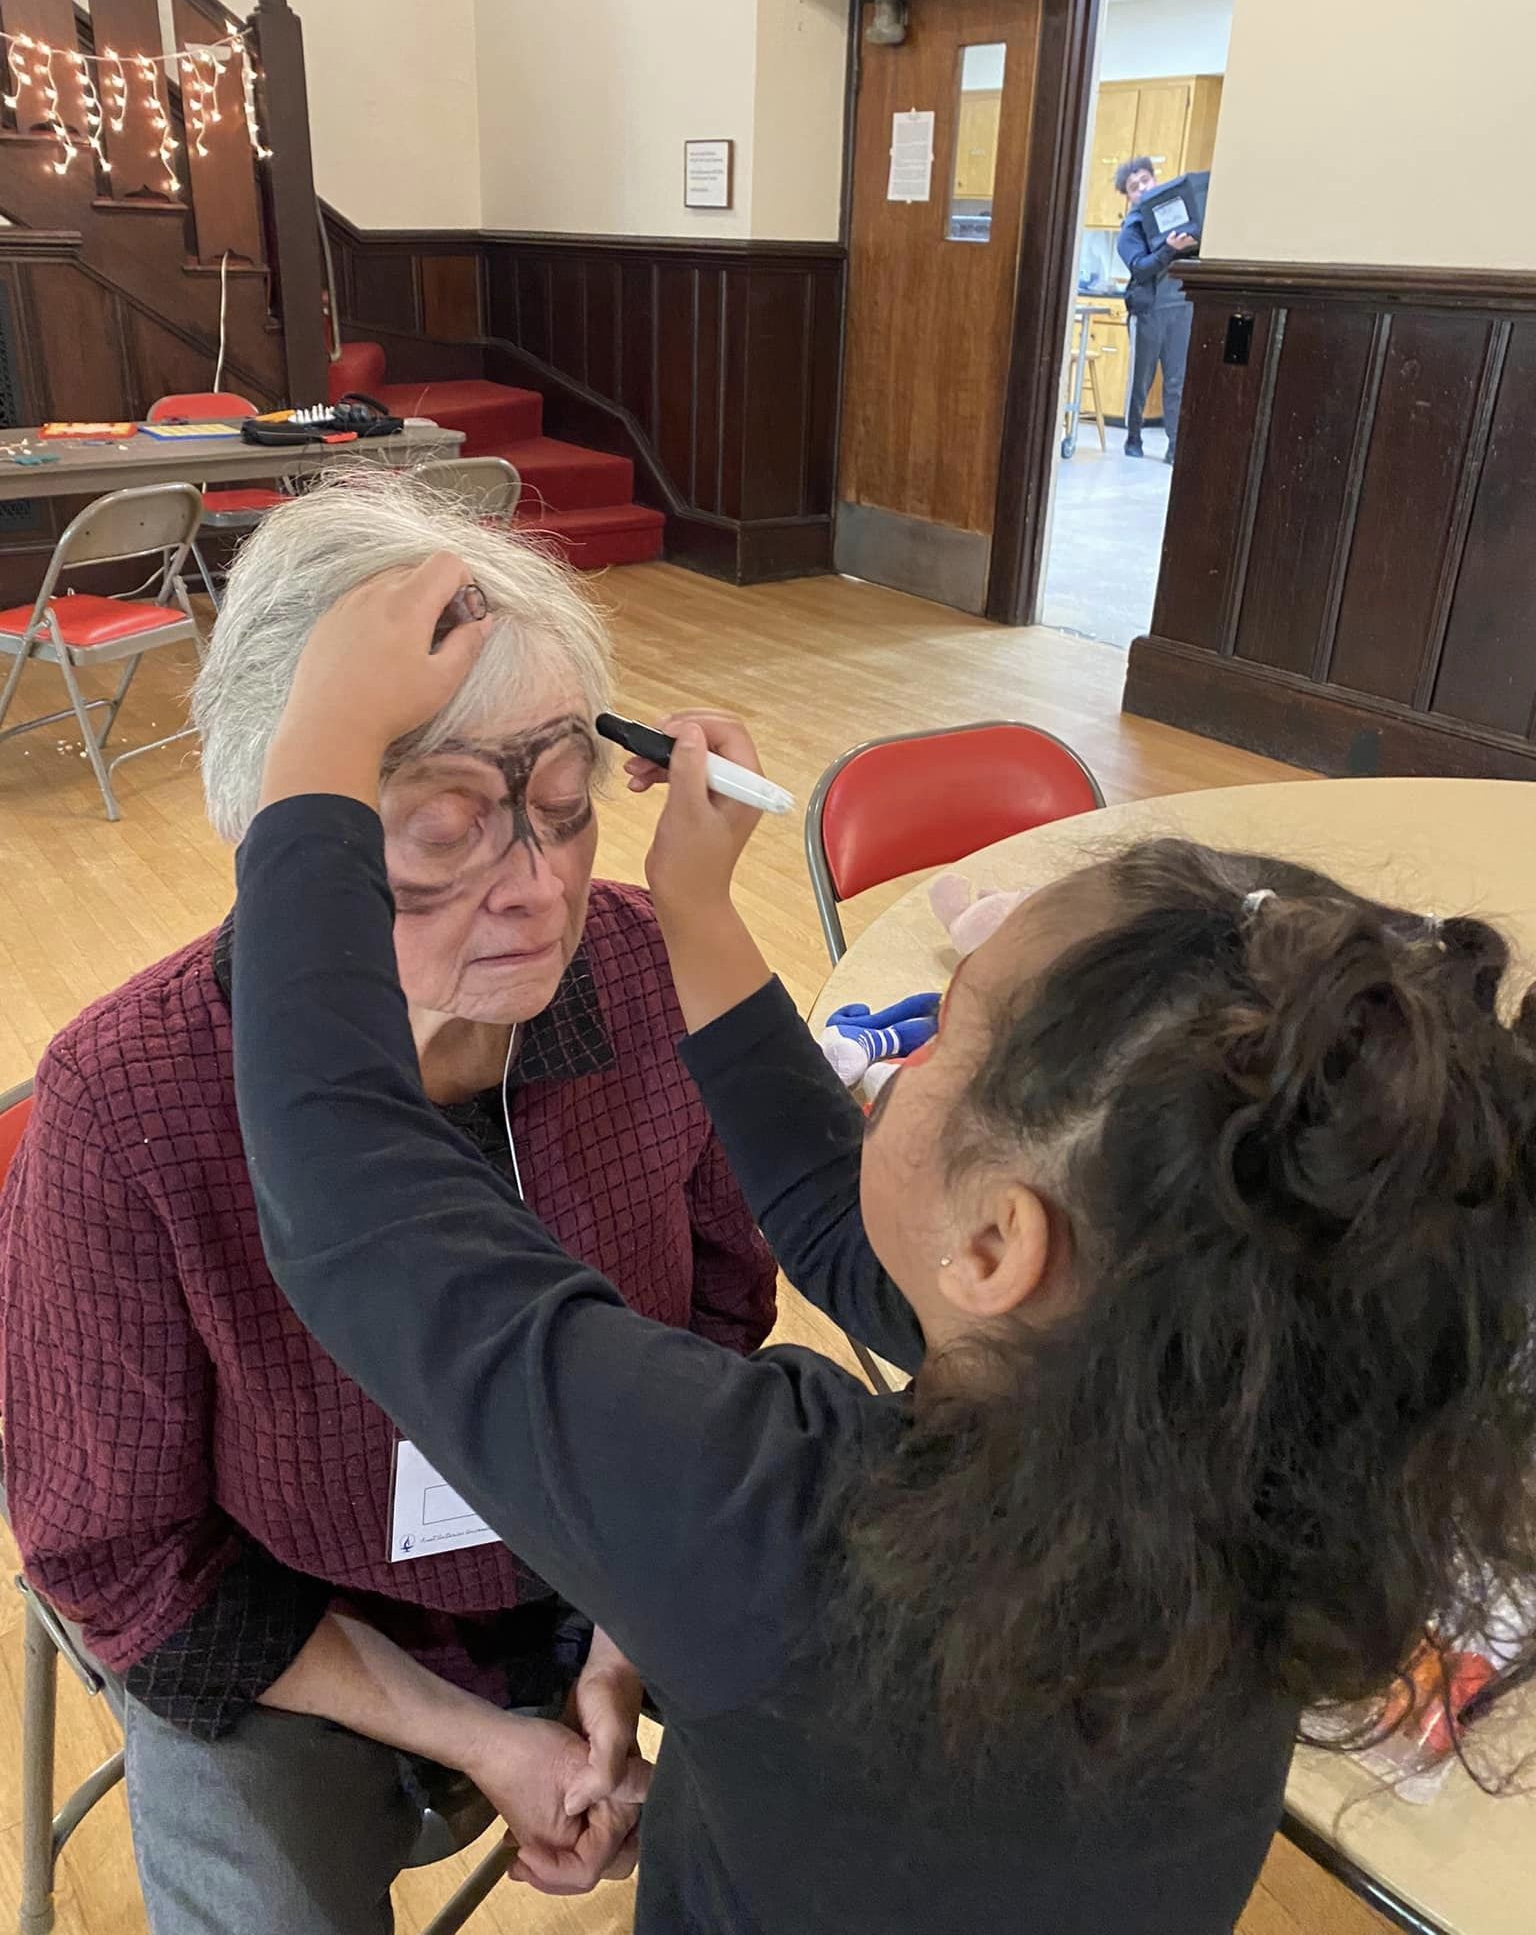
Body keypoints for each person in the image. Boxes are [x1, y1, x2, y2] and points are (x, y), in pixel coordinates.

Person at [230, 557, 1536, 1935]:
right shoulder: (1237, 1426)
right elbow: (838, 1217)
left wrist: (319, 751)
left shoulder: (781, 1530)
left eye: (943, 1031)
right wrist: (697, 907)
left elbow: (351, 1194)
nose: (894, 1067)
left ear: (995, 1249)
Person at [0, 478, 776, 1933]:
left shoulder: (637, 973)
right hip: (307, 1629)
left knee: (873, 1749)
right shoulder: (125, 1101)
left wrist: (619, 1645)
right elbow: (124, 1556)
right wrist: (489, 1741)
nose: (538, 891)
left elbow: (719, 1321)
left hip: (605, 1550)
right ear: (284, 836)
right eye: (443, 828)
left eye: (562, 815)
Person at [1116, 153, 1200, 463]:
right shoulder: (1130, 231)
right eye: (1133, 186)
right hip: (1148, 311)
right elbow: (1141, 268)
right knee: (1142, 379)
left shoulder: (1179, 217)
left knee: (1177, 380)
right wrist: (1169, 250)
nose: (1141, 188)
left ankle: (1175, 445)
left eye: (1145, 180)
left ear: (1156, 180)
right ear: (1128, 198)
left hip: (1181, 307)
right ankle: (1133, 437)